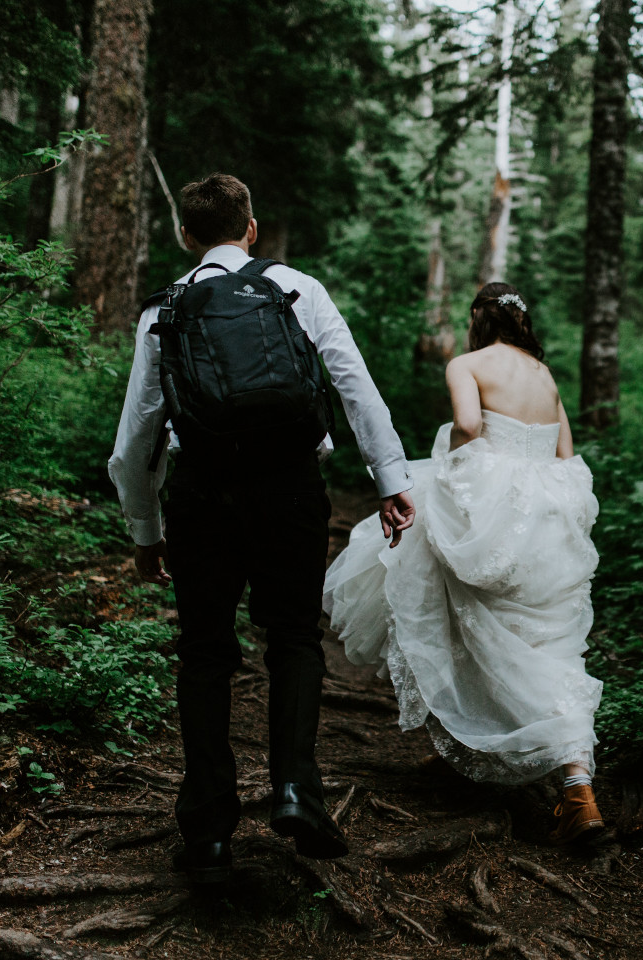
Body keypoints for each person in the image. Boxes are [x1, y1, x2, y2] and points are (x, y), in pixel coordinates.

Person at [109, 172, 416, 882]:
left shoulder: (167, 308)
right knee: (294, 637)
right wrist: (391, 482)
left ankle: (209, 828)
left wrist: (145, 530)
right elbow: (355, 387)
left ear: (186, 237)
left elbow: (134, 442)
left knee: (206, 652)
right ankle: (295, 792)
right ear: (252, 228)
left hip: (201, 495)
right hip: (289, 488)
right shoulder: (298, 289)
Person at [323, 282, 606, 843]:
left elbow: (470, 428)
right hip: (547, 516)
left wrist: (449, 462)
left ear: (479, 317)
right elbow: (565, 455)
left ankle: (468, 734)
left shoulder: (467, 364)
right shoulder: (544, 375)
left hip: (490, 511)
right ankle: (577, 791)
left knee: (447, 607)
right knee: (544, 643)